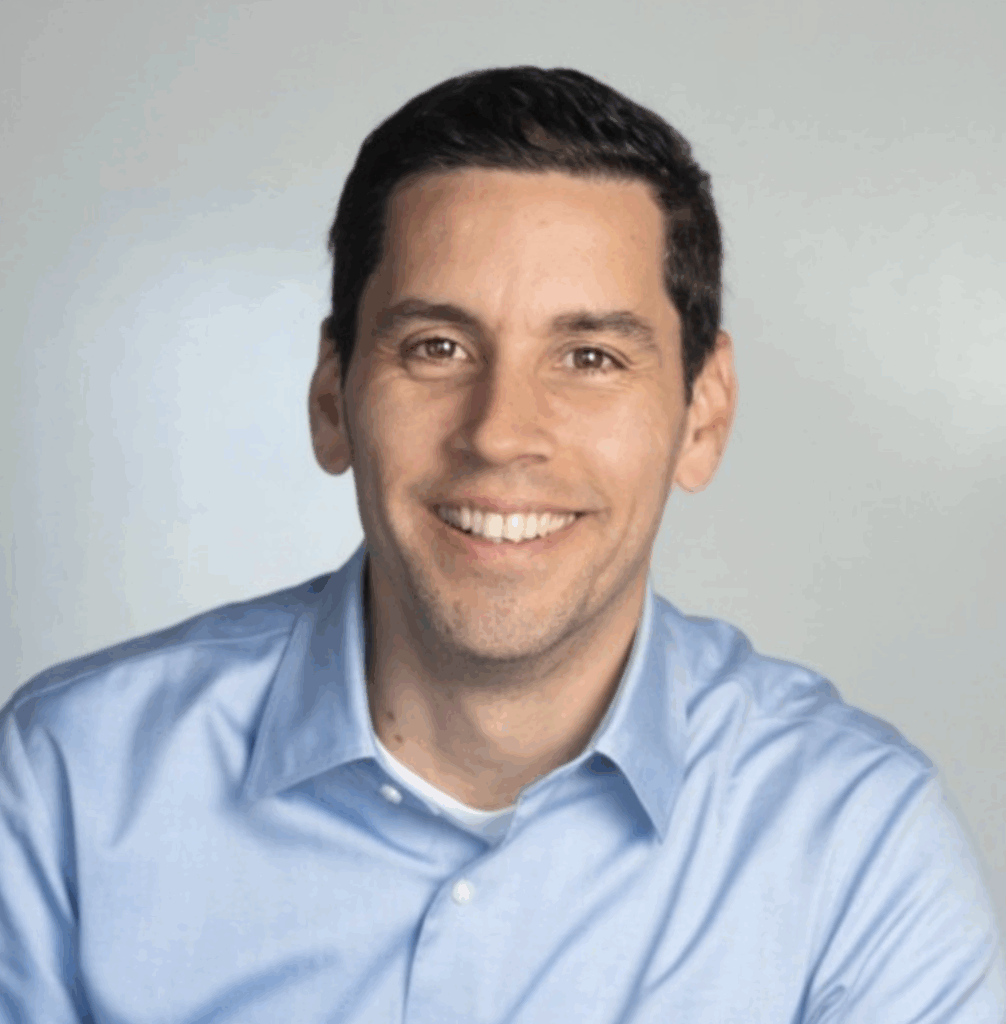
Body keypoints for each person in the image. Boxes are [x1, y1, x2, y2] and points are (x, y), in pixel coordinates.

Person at [1, 66, 1002, 1023]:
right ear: (331, 398)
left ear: (703, 414)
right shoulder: (67, 783)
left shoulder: (856, 844)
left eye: (589, 356)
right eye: (437, 347)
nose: (500, 433)